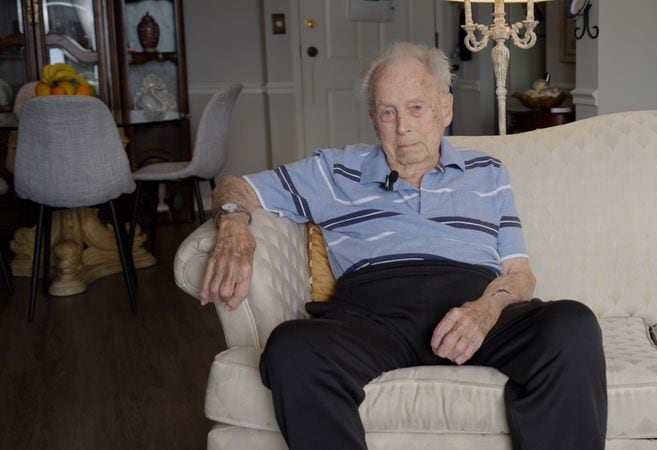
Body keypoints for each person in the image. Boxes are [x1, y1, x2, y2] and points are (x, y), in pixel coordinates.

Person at [199, 41, 607, 450]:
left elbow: (520, 274)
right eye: (388, 112)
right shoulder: (334, 169)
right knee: (291, 348)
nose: (403, 127)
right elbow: (236, 184)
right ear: (374, 119)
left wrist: (486, 310)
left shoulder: (487, 171)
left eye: (416, 108)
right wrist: (234, 223)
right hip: (373, 317)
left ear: (444, 109)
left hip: (474, 312)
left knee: (572, 325)